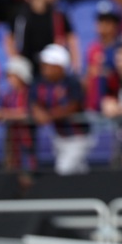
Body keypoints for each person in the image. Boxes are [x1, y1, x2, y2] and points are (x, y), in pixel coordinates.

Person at [32, 44, 89, 175]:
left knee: (63, 170)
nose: (44, 68)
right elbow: (33, 102)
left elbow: (73, 106)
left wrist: (48, 116)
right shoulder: (40, 83)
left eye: (48, 64)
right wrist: (38, 112)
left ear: (60, 66)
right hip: (59, 136)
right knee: (79, 171)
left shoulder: (72, 82)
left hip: (77, 136)